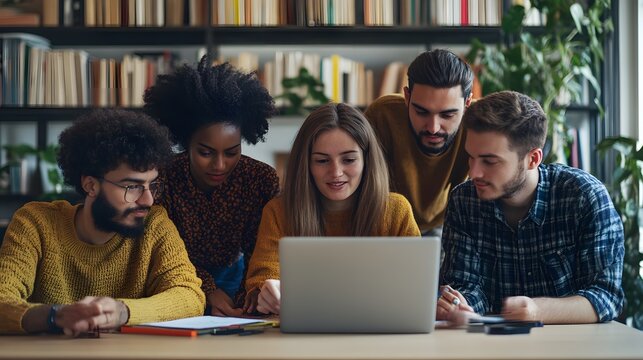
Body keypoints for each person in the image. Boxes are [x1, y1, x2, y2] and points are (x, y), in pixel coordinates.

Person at [0, 109, 205, 336]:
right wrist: (56, 316)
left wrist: (122, 312)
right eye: (132, 187)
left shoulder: (155, 225)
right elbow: (2, 299)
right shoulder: (36, 223)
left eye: (152, 186)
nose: (147, 200)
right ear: (91, 185)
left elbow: (189, 296)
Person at [438, 91, 624, 324]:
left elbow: (606, 296)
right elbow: (466, 285)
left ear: (533, 159)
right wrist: (461, 305)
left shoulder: (584, 197)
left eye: (489, 161)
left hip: (573, 348)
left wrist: (536, 310)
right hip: (492, 347)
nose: (474, 172)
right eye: (471, 157)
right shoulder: (464, 201)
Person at [244, 103, 421, 315]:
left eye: (348, 159)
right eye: (322, 161)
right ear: (306, 164)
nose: (336, 172)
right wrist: (265, 291)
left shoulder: (396, 211)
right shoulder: (278, 212)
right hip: (301, 335)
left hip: (380, 330)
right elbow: (263, 276)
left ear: (367, 160)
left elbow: (415, 286)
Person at [143, 58, 280, 317]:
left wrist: (248, 297)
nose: (219, 165)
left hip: (240, 277)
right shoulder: (163, 176)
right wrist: (206, 288)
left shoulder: (260, 179)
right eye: (205, 152)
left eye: (231, 152)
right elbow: (160, 247)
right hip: (173, 276)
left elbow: (261, 254)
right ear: (186, 141)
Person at [364, 49, 473, 235]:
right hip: (388, 223)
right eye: (422, 112)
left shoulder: (479, 123)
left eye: (447, 114)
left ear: (467, 104)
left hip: (445, 224)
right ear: (407, 97)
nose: (433, 127)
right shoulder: (382, 115)